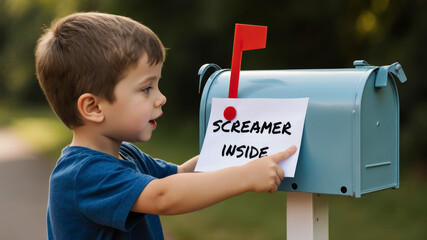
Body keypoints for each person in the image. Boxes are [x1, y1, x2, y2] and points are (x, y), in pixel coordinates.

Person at [35, 12, 297, 240]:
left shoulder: (125, 154)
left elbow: (180, 176)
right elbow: (164, 196)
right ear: (93, 107)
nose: (161, 98)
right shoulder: (81, 175)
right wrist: (245, 176)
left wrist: (235, 147)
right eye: (146, 88)